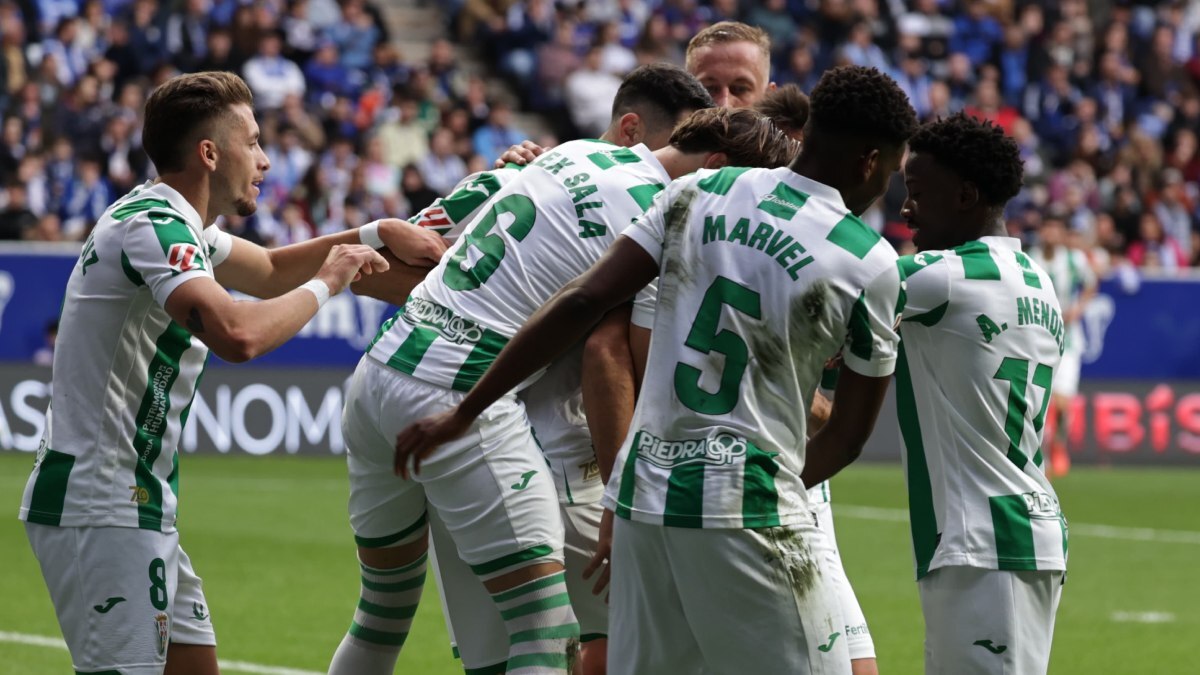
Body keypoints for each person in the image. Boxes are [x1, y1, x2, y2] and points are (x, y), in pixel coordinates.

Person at [394, 65, 917, 675]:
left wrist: (465, 410)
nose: (890, 187)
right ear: (869, 161)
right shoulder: (869, 260)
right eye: (892, 172)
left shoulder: (697, 193)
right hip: (749, 505)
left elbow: (581, 303)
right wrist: (777, 486)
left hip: (645, 502)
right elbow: (850, 435)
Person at [331, 105, 798, 675]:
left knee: (381, 613)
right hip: (456, 392)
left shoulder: (576, 151)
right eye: (741, 191)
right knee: (546, 631)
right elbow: (635, 362)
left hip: (379, 373)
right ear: (717, 165)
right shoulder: (665, 214)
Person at [17, 71, 446, 675]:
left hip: (136, 499)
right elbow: (238, 335)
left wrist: (375, 232)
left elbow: (270, 269)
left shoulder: (180, 225)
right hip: (98, 503)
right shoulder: (152, 227)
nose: (266, 160)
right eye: (253, 141)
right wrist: (332, 279)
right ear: (210, 153)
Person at [844, 113, 1065, 674]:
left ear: (966, 194)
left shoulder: (939, 278)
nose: (905, 209)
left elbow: (843, 294)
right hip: (1018, 529)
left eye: (917, 192)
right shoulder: (1039, 282)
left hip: (984, 541)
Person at [1028, 212, 1097, 477]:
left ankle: (1059, 445)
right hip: (1036, 339)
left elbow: (1091, 283)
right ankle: (1039, 452)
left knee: (1063, 401)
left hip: (1068, 339)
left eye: (1056, 228)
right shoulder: (1029, 258)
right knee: (1038, 401)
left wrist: (1078, 309)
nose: (1051, 233)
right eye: (1047, 227)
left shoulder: (1073, 259)